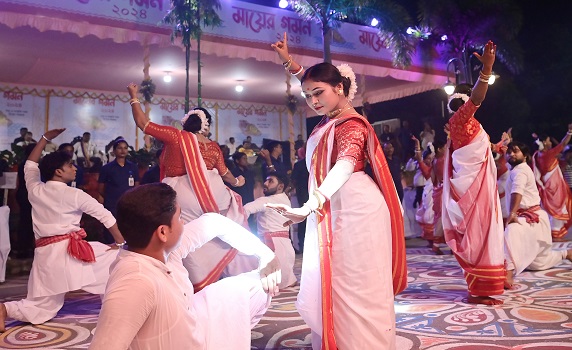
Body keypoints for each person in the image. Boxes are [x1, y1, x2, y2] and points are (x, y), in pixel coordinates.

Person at [269, 32, 407, 349]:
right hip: (334, 205)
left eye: (319, 93)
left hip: (357, 210)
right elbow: (310, 78)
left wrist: (307, 207)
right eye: (308, 96)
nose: (314, 101)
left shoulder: (351, 124)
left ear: (340, 89)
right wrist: (288, 61)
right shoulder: (330, 119)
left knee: (358, 282)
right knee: (338, 279)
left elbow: (344, 165)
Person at [89, 183, 281, 350]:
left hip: (191, 327)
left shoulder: (161, 249)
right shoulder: (135, 281)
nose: (183, 223)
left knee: (259, 285)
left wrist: (266, 255)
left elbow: (214, 222)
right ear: (163, 232)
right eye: (180, 218)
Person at [127, 86, 256, 292]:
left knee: (183, 240)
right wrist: (239, 183)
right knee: (213, 235)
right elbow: (226, 175)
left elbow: (143, 123)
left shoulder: (176, 137)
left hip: (181, 194)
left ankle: (190, 282)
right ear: (206, 127)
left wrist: (134, 97)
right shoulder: (213, 146)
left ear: (186, 122)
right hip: (215, 196)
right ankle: (217, 277)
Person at [0, 128, 125, 332]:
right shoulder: (75, 195)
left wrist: (44, 139)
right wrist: (120, 244)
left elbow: (30, 166)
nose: (74, 168)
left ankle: (4, 309)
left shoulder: (35, 189)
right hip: (72, 253)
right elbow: (106, 217)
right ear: (58, 171)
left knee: (39, 310)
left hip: (47, 256)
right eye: (70, 165)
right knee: (118, 258)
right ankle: (116, 306)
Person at [441, 40, 506, 305]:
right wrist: (486, 71)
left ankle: (492, 281)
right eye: (469, 100)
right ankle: (478, 290)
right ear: (463, 101)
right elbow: (478, 98)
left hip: (481, 189)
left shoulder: (471, 125)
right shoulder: (461, 119)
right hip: (472, 193)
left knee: (486, 236)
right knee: (479, 238)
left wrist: (499, 146)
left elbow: (486, 148)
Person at [503, 141, 572, 288]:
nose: (511, 154)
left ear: (526, 156)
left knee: (511, 231)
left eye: (516, 151)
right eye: (509, 152)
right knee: (538, 263)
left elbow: (517, 192)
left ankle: (507, 274)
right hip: (537, 217)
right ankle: (566, 254)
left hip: (529, 218)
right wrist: (505, 143)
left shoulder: (520, 170)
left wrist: (512, 213)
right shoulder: (517, 168)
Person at [244, 172, 297, 289]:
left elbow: (245, 209)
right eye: (266, 180)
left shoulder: (266, 201)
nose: (265, 183)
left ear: (280, 187)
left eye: (270, 181)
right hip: (287, 247)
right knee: (286, 280)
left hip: (271, 247)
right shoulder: (286, 199)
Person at [531, 126, 572, 240]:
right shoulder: (548, 154)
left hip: (548, 187)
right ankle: (555, 235)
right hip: (554, 188)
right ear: (544, 142)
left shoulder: (538, 155)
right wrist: (569, 132)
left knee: (552, 211)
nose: (550, 142)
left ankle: (554, 234)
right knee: (557, 210)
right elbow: (563, 145)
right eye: (548, 140)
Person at [98, 139, 140, 243]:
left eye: (125, 148)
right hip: (112, 204)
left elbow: (136, 186)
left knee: (128, 228)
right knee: (111, 229)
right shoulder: (107, 168)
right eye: (120, 148)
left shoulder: (133, 167)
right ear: (114, 150)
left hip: (129, 204)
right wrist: (109, 197)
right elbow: (100, 188)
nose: (123, 150)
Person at [290, 146, 309, 253]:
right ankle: (302, 246)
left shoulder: (316, 163)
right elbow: (294, 180)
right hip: (304, 196)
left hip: (312, 195)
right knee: (304, 221)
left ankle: (304, 246)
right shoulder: (300, 165)